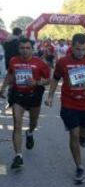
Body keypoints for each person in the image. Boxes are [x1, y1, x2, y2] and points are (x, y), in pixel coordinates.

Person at [45, 33, 85, 184]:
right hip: (69, 104)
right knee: (73, 134)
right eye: (77, 49)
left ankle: (84, 137)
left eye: (83, 49)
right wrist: (50, 96)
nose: (80, 53)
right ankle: (79, 167)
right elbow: (56, 79)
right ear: (72, 47)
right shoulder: (63, 62)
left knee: (83, 133)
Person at [0, 37, 50, 169]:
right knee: (17, 123)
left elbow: (48, 80)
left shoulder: (40, 63)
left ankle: (30, 132)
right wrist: (3, 88)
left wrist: (36, 82)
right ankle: (18, 155)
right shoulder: (13, 61)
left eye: (27, 48)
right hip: (18, 96)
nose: (25, 51)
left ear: (32, 49)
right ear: (18, 49)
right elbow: (10, 75)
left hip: (34, 96)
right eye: (22, 48)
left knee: (33, 123)